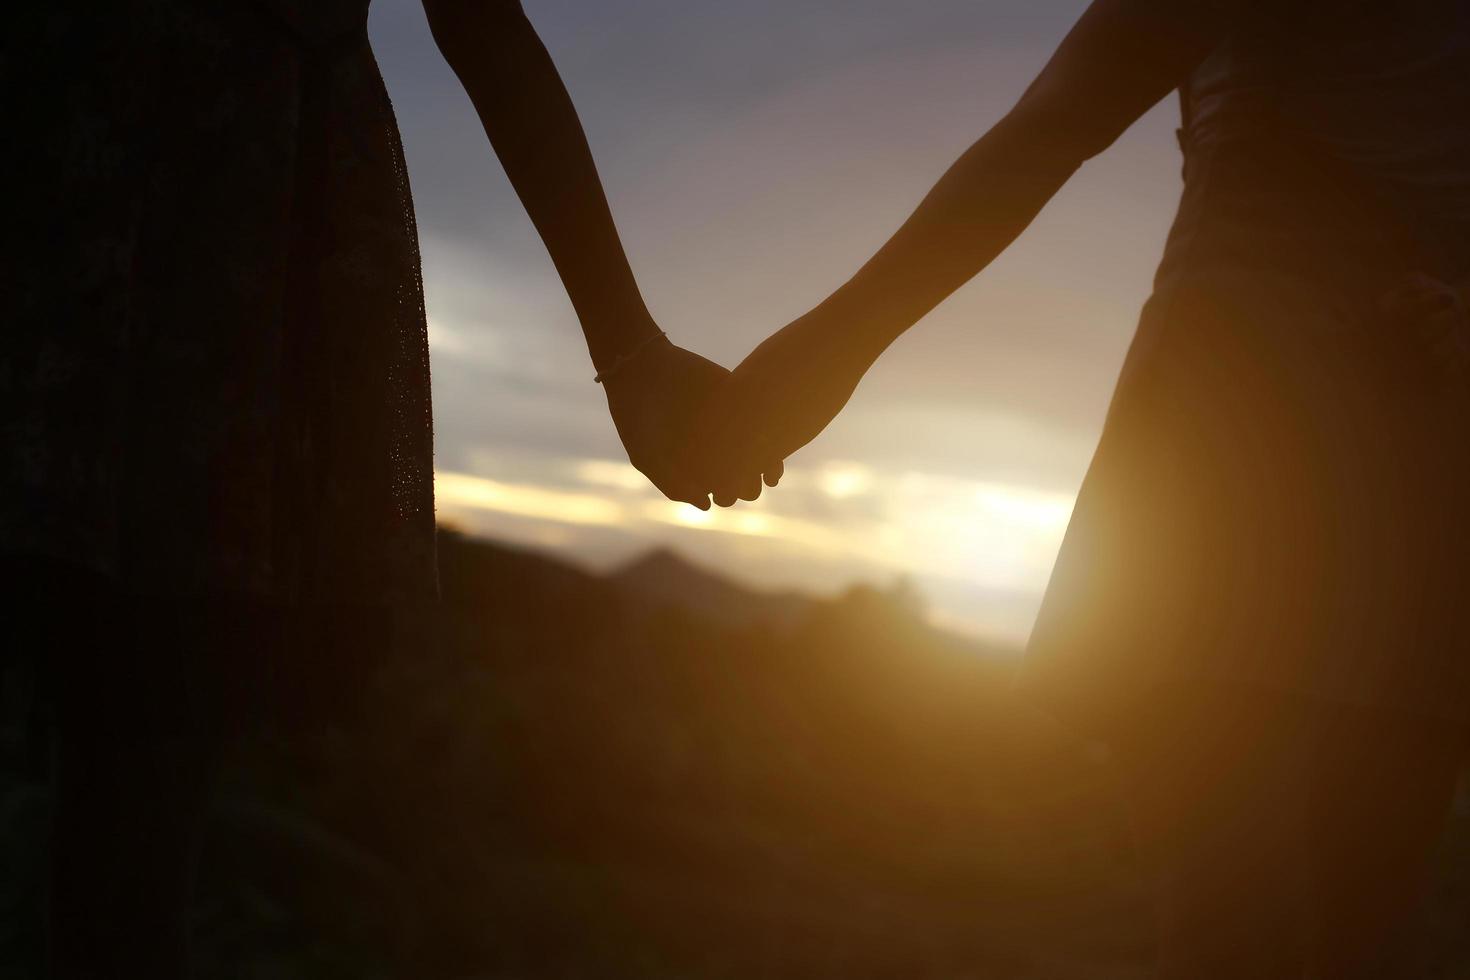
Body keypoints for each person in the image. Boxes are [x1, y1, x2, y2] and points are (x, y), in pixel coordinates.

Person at [2, 1, 770, 976]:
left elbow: (478, 19)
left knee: (133, 776)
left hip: (220, 226)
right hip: (193, 193)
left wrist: (630, 346)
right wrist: (627, 345)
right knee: (128, 812)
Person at [705, 0, 1470, 975]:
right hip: (1248, 454)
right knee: (1248, 923)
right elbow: (1063, 117)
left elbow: (1058, 118)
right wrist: (823, 354)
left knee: (1360, 927)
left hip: (1413, 461)